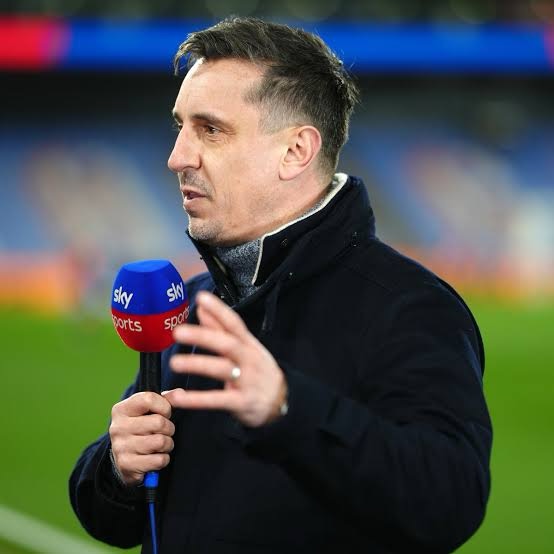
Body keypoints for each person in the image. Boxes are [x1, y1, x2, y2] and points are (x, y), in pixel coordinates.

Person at [69, 17, 492, 554]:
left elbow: (450, 502)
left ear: (295, 152)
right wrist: (116, 469)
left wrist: (289, 410)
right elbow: (115, 520)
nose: (177, 157)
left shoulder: (409, 306)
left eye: (211, 130)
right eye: (180, 126)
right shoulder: (194, 303)